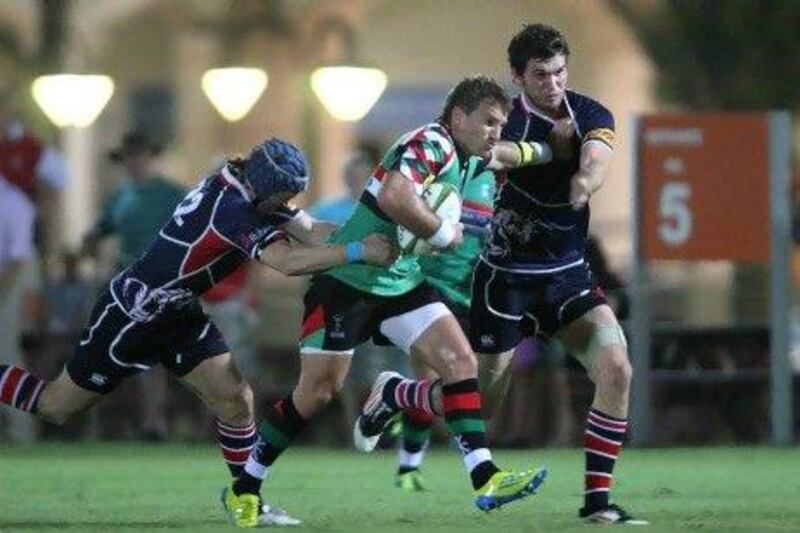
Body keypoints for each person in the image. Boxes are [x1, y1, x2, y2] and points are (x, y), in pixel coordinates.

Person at [222, 75, 561, 528]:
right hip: (348, 283)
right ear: (459, 117)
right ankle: (244, 488)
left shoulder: (471, 153)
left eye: (501, 123)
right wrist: (443, 233)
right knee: (318, 393)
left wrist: (549, 148)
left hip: (401, 282)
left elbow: (517, 152)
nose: (496, 132)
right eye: (489, 122)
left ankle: (486, 478)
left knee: (461, 363)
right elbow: (396, 195)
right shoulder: (431, 141)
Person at [0, 138, 395, 526]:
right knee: (56, 406)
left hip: (177, 311)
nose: (286, 205)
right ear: (265, 187)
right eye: (283, 197)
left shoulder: (249, 186)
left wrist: (378, 237)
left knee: (237, 399)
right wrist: (358, 252)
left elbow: (312, 230)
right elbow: (288, 262)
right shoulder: (234, 210)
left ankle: (246, 500)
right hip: (133, 315)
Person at [467, 24, 645, 525]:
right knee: (481, 405)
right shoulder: (503, 119)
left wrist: (585, 182)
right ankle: (400, 393)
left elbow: (598, 156)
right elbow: (494, 152)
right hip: (506, 278)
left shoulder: (589, 112)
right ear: (518, 76)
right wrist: (543, 151)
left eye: (560, 72)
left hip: (567, 275)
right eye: (541, 75)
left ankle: (597, 504)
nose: (553, 83)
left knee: (616, 370)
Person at [393, 159, 497, 491]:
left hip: (473, 295)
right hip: (427, 288)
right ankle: (410, 466)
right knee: (432, 379)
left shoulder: (496, 180)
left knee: (456, 387)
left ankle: (394, 396)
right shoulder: (435, 171)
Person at [81, 130, 187, 440]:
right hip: (126, 283)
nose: (133, 162)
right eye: (129, 156)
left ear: (151, 156)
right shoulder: (121, 196)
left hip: (163, 283)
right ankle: (145, 422)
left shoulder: (172, 194)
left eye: (139, 155)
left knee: (155, 355)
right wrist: (89, 244)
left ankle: (156, 420)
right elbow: (100, 230)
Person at [0, 176, 37, 442]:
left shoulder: (15, 203)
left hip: (7, 288)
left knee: (7, 355)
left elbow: (19, 257)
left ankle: (21, 431)